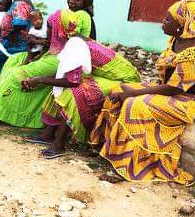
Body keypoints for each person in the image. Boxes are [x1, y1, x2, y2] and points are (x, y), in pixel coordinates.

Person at [91, 0, 195, 184]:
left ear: (182, 25)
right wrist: (131, 90)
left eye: (168, 19)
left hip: (192, 101)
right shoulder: (176, 40)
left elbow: (175, 88)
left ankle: (129, 167)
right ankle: (109, 151)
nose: (163, 22)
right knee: (118, 89)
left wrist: (133, 93)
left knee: (135, 104)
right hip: (171, 91)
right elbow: (166, 82)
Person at [0, 0, 95, 129]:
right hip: (51, 54)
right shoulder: (68, 14)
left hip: (63, 60)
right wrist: (39, 52)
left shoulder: (82, 17)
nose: (72, 1)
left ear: (85, 1)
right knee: (14, 61)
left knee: (17, 74)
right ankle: (1, 109)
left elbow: (69, 41)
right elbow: (53, 39)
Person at [21, 28, 139, 158]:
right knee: (58, 85)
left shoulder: (76, 46)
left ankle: (59, 144)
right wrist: (39, 80)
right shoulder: (73, 42)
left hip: (124, 80)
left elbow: (73, 81)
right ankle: (49, 133)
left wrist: (41, 79)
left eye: (51, 29)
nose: (49, 34)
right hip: (108, 75)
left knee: (74, 94)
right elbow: (64, 72)